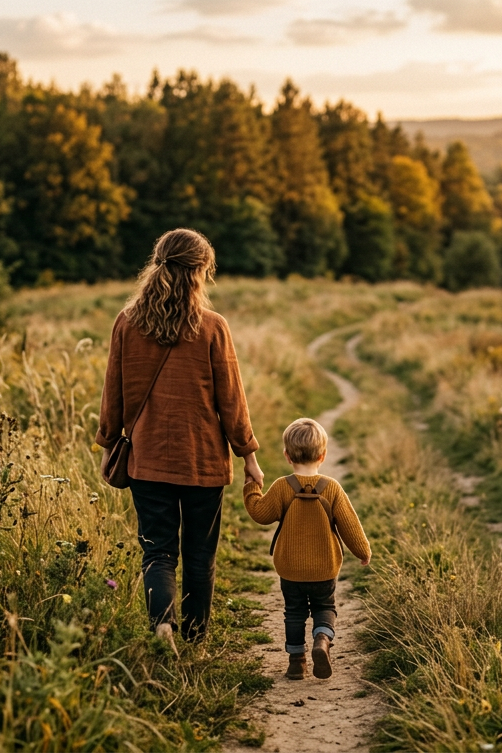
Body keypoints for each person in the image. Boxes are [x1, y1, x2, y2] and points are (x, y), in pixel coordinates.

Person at [96, 228, 264, 647]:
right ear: (201, 272)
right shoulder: (213, 327)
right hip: (202, 461)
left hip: (147, 460)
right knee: (199, 555)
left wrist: (107, 443)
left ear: (158, 264)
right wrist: (248, 455)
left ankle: (162, 624)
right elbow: (232, 400)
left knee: (157, 552)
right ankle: (194, 638)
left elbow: (112, 391)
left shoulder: (127, 322)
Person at [244, 417, 370, 680]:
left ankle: (296, 662)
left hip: (291, 569)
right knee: (325, 607)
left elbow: (260, 513)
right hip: (324, 567)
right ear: (323, 456)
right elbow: (350, 526)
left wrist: (252, 487)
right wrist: (363, 551)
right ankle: (322, 640)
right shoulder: (331, 488)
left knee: (294, 612)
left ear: (287, 456)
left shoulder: (282, 486)